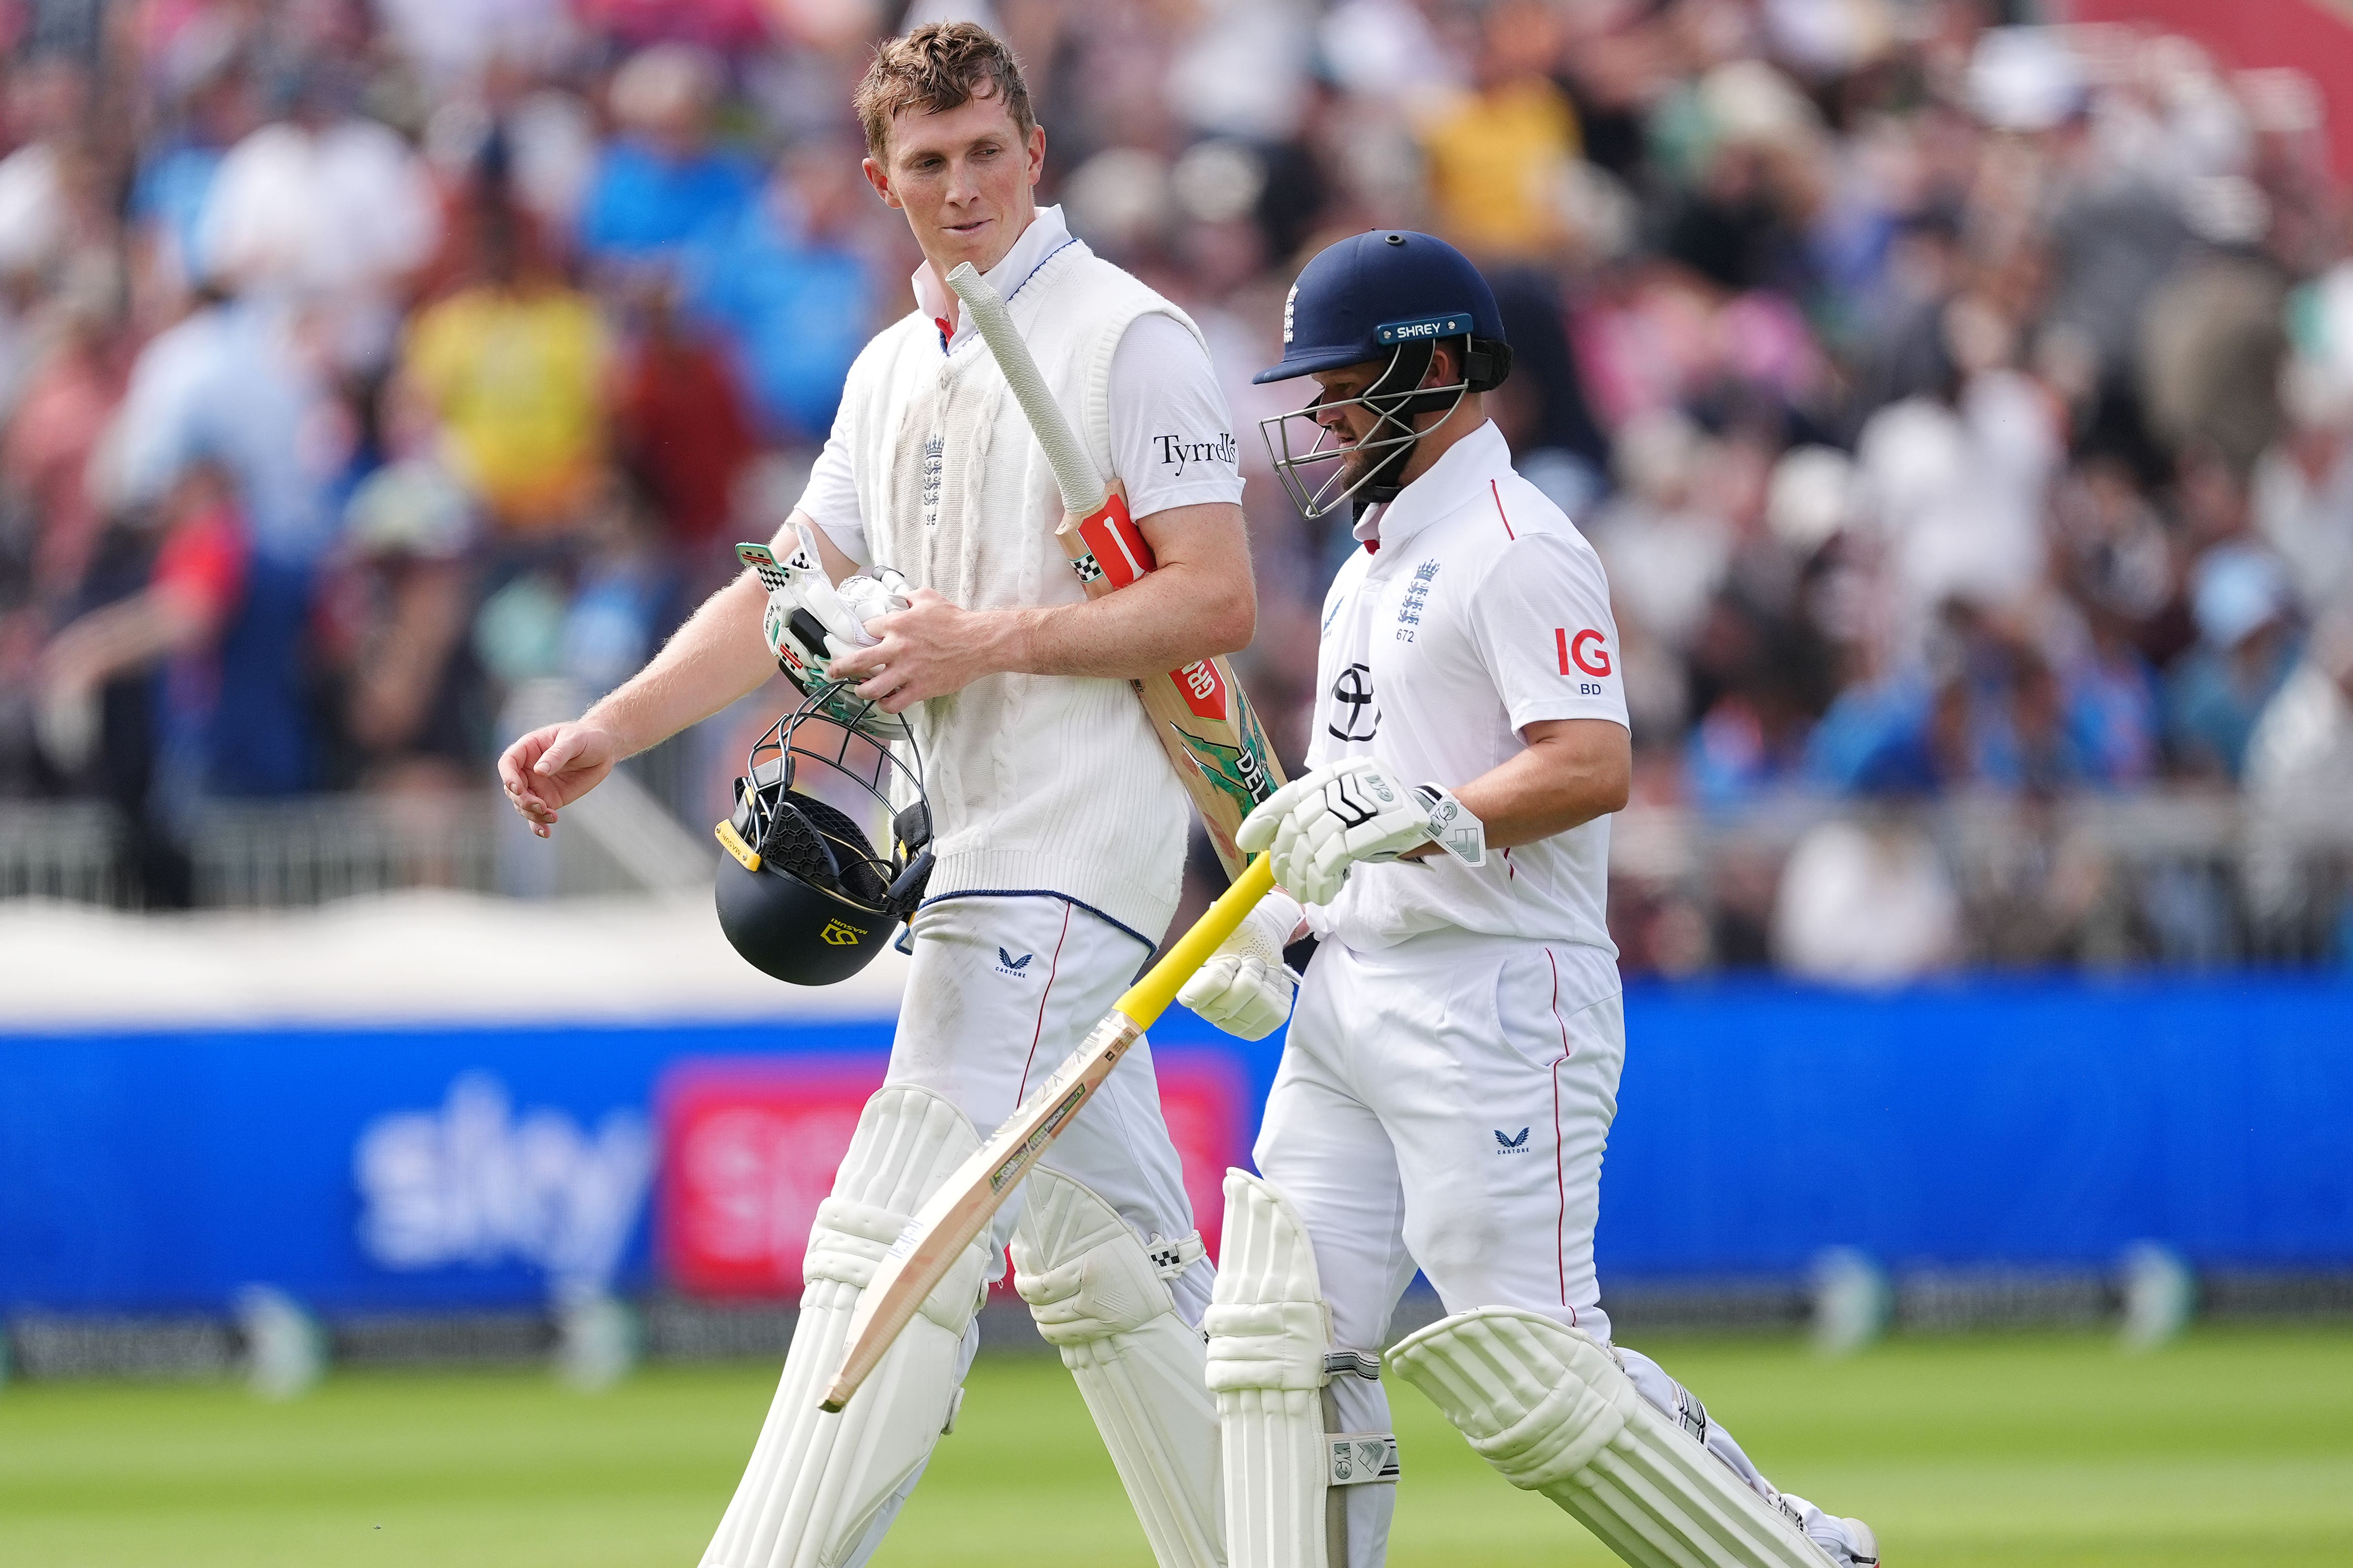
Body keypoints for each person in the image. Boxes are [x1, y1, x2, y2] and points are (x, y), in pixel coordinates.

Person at [496, 24, 1252, 1568]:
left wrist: (993, 636)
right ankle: (1286, 1542)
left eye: (987, 153)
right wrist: (613, 728)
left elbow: (1216, 599)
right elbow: (786, 582)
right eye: (929, 163)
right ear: (878, 180)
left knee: (891, 1223)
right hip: (962, 847)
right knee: (1108, 1270)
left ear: (1035, 153)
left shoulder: (1128, 334)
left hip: (1067, 852)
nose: (963, 186)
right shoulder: (893, 363)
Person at [1178, 230, 1879, 1568]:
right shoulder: (1368, 562)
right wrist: (1279, 919)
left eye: (1341, 385)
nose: (1320, 416)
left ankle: (1794, 1557)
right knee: (1277, 1337)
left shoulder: (1518, 545)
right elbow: (1341, 800)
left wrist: (1433, 814)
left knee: (1534, 1374)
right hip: (1354, 998)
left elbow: (1591, 761)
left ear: (1437, 370)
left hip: (1491, 998)